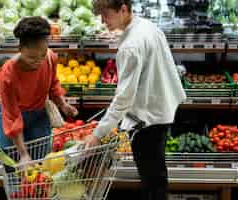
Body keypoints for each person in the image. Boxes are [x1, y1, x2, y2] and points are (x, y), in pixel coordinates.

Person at [85, 1, 186, 199]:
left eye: (106, 15)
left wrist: (98, 134)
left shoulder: (131, 45)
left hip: (147, 119)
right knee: (156, 175)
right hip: (161, 108)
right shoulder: (148, 26)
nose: (103, 21)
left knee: (152, 179)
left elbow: (123, 98)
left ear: (123, 9)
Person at [0, 17, 78, 164]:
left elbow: (53, 85)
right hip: (12, 117)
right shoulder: (8, 74)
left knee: (41, 164)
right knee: (15, 166)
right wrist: (23, 154)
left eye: (42, 55)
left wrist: (63, 104)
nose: (38, 61)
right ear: (20, 49)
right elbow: (12, 116)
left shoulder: (50, 58)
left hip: (38, 115)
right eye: (31, 57)